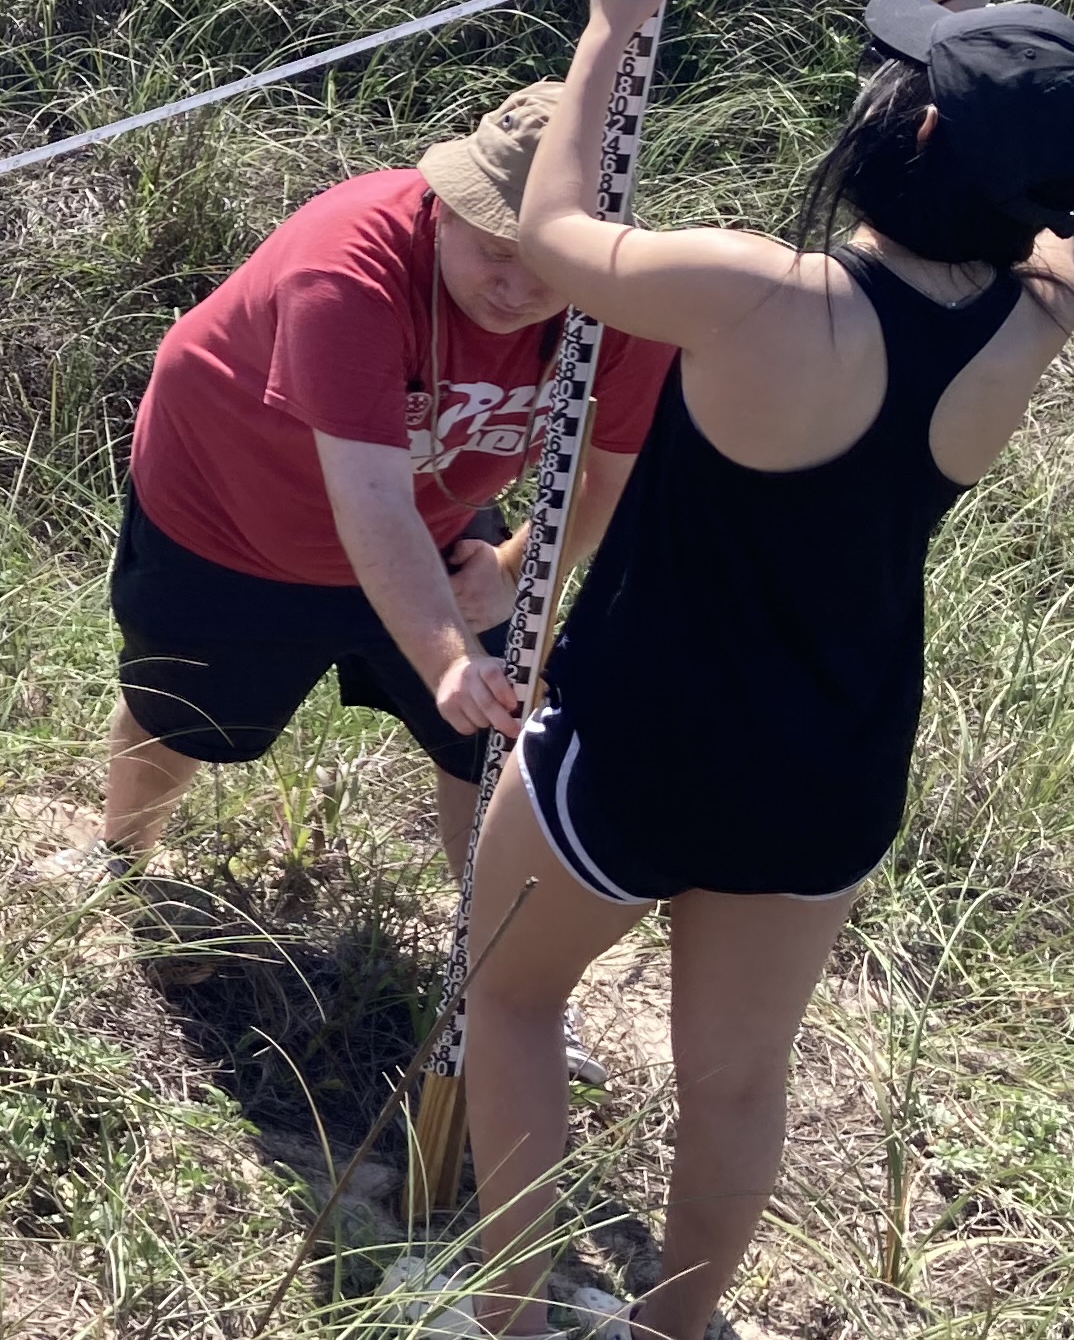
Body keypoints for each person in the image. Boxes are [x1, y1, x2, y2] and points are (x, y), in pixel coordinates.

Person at [436, 0, 1074, 1340]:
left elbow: (557, 236)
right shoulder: (1040, 310)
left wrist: (612, 25)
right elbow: (1002, 202)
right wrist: (951, 5)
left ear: (910, 140)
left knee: (515, 1000)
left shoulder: (762, 293)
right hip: (829, 762)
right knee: (739, 1083)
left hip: (643, 729)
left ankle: (510, 1328)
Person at [99, 80, 672, 908]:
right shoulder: (348, 264)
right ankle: (118, 865)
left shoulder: (623, 302)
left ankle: (484, 968)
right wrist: (447, 661)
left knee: (493, 735)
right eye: (495, 250)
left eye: (548, 261)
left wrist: (512, 565)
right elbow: (370, 497)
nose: (516, 288)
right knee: (181, 712)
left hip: (437, 505)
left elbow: (613, 473)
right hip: (233, 510)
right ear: (445, 204)